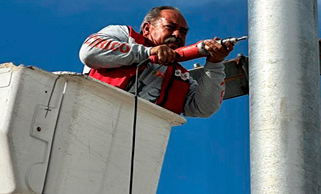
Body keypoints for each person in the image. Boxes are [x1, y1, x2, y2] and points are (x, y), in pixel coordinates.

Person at [79, 6, 233, 117]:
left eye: (183, 32)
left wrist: (215, 64)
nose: (177, 35)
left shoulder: (182, 78)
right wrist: (148, 52)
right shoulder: (125, 35)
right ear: (147, 29)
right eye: (170, 27)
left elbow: (204, 108)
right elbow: (89, 52)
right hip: (86, 116)